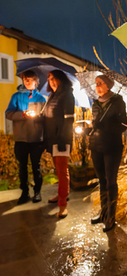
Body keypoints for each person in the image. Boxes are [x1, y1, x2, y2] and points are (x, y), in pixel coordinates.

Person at [89, 75, 127, 232]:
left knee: (111, 181)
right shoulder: (95, 103)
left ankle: (111, 216)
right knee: (102, 180)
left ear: (108, 86)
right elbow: (94, 123)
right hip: (96, 145)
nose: (97, 86)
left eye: (100, 83)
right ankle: (104, 213)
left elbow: (123, 124)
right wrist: (92, 126)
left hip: (112, 146)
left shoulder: (117, 102)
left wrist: (107, 125)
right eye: (96, 83)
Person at [6, 70, 46, 204]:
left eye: (29, 80)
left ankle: (37, 192)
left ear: (36, 81)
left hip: (36, 139)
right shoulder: (16, 96)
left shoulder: (41, 99)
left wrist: (37, 117)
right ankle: (24, 192)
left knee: (36, 166)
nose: (26, 82)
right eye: (24, 80)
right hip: (21, 138)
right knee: (22, 167)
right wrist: (23, 115)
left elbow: (45, 118)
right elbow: (8, 114)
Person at [43, 69, 74, 218]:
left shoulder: (67, 94)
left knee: (62, 171)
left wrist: (63, 139)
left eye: (54, 78)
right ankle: (61, 194)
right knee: (58, 169)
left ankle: (63, 205)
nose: (52, 81)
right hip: (52, 139)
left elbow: (69, 120)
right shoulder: (52, 96)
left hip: (62, 139)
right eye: (49, 78)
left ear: (61, 78)